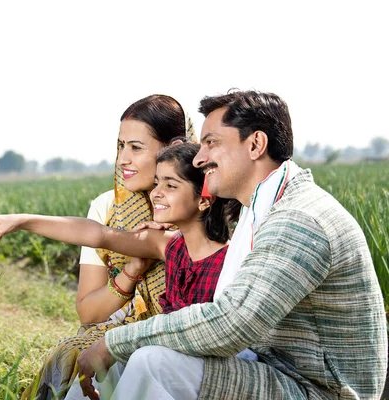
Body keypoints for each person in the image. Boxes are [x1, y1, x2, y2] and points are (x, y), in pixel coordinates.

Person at [51, 89, 387, 400]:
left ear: (255, 145)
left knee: (152, 361)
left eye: (211, 143)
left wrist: (114, 341)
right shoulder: (258, 209)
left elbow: (232, 323)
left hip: (314, 389)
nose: (199, 158)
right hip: (268, 368)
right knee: (123, 361)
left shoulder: (299, 219)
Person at [0, 142, 240, 394]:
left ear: (204, 199)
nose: (155, 193)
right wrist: (20, 221)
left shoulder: (230, 262)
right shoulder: (169, 246)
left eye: (170, 185)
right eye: (157, 183)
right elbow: (99, 235)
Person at [23, 94, 196, 399]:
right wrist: (131, 270)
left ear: (174, 147)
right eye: (120, 146)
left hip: (178, 345)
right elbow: (88, 313)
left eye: (135, 148)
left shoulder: (204, 210)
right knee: (78, 368)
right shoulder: (108, 207)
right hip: (119, 335)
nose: (122, 160)